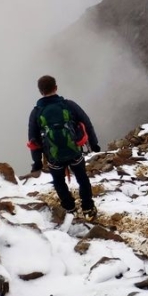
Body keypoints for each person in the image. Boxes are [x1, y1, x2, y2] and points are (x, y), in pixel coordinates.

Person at [27, 75, 100, 219]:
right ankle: (88, 208)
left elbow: (33, 140)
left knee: (59, 181)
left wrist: (37, 162)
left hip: (53, 157)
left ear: (40, 91)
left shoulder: (36, 112)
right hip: (74, 153)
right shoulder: (69, 105)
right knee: (82, 178)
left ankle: (69, 208)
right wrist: (94, 144)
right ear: (56, 87)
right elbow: (87, 122)